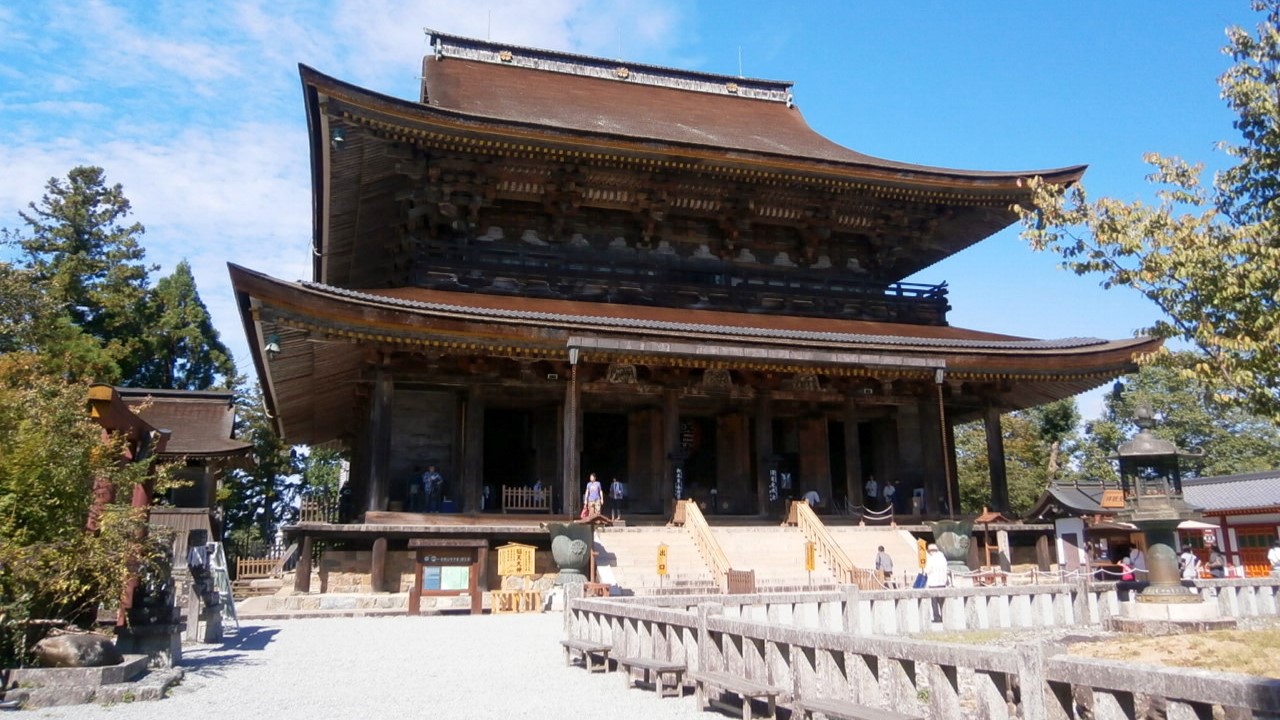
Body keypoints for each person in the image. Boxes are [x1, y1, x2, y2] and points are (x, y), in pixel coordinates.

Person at [924, 543, 949, 622]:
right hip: (942, 582)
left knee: (934, 602)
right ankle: (944, 616)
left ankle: (937, 617)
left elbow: (927, 570)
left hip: (933, 582)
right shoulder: (943, 558)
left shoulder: (931, 559)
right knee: (942, 601)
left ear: (930, 551)